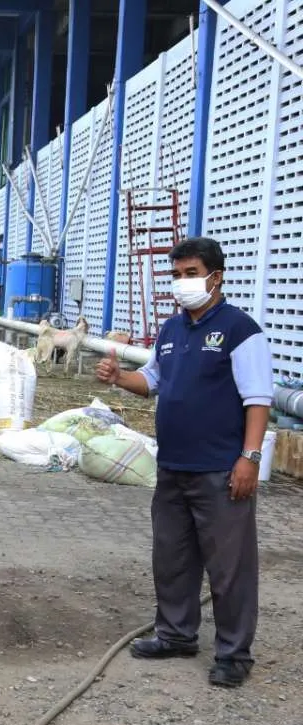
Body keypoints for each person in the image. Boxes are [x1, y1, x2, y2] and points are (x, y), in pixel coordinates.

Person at [96, 237, 272, 688]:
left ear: (216, 277)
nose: (181, 283)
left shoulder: (240, 330)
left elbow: (257, 399)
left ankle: (234, 654)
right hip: (173, 466)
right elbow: (151, 380)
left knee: (229, 566)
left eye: (190, 274)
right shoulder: (172, 331)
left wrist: (249, 458)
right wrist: (119, 378)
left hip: (220, 469)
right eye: (175, 275)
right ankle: (175, 634)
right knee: (171, 557)